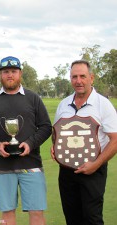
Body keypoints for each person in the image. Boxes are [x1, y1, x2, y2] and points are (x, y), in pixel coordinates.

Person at [0, 56, 52, 225]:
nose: (10, 75)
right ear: (0, 75)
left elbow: (46, 126)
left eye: (13, 71)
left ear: (20, 73)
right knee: (7, 213)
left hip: (31, 164)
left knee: (36, 212)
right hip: (1, 166)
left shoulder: (33, 98)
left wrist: (30, 143)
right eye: (6, 72)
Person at [51, 59, 117, 225]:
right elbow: (57, 133)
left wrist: (96, 164)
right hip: (66, 171)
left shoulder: (103, 104)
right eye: (74, 77)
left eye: (82, 76)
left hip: (93, 170)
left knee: (92, 218)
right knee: (71, 217)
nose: (78, 81)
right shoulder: (63, 104)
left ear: (91, 78)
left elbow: (115, 140)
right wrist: (55, 147)